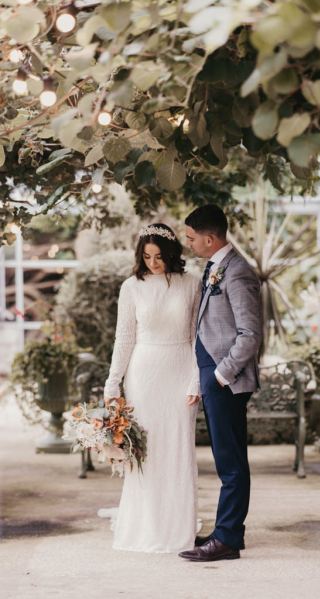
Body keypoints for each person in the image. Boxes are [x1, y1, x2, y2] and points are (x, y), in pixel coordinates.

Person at [103, 223, 201, 553]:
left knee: (177, 450)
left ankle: (179, 530)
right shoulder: (131, 287)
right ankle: (145, 527)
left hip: (179, 370)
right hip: (143, 373)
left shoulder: (191, 284)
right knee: (145, 453)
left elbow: (196, 337)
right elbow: (124, 337)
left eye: (159, 256)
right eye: (146, 256)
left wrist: (196, 378)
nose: (153, 263)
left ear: (171, 254)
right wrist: (113, 381)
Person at [179, 204, 262, 562]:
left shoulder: (238, 272)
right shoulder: (215, 267)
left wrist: (218, 375)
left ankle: (226, 539)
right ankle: (227, 532)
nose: (189, 243)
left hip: (225, 380)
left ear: (210, 239)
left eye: (191, 238)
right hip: (213, 377)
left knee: (230, 462)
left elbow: (249, 335)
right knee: (225, 458)